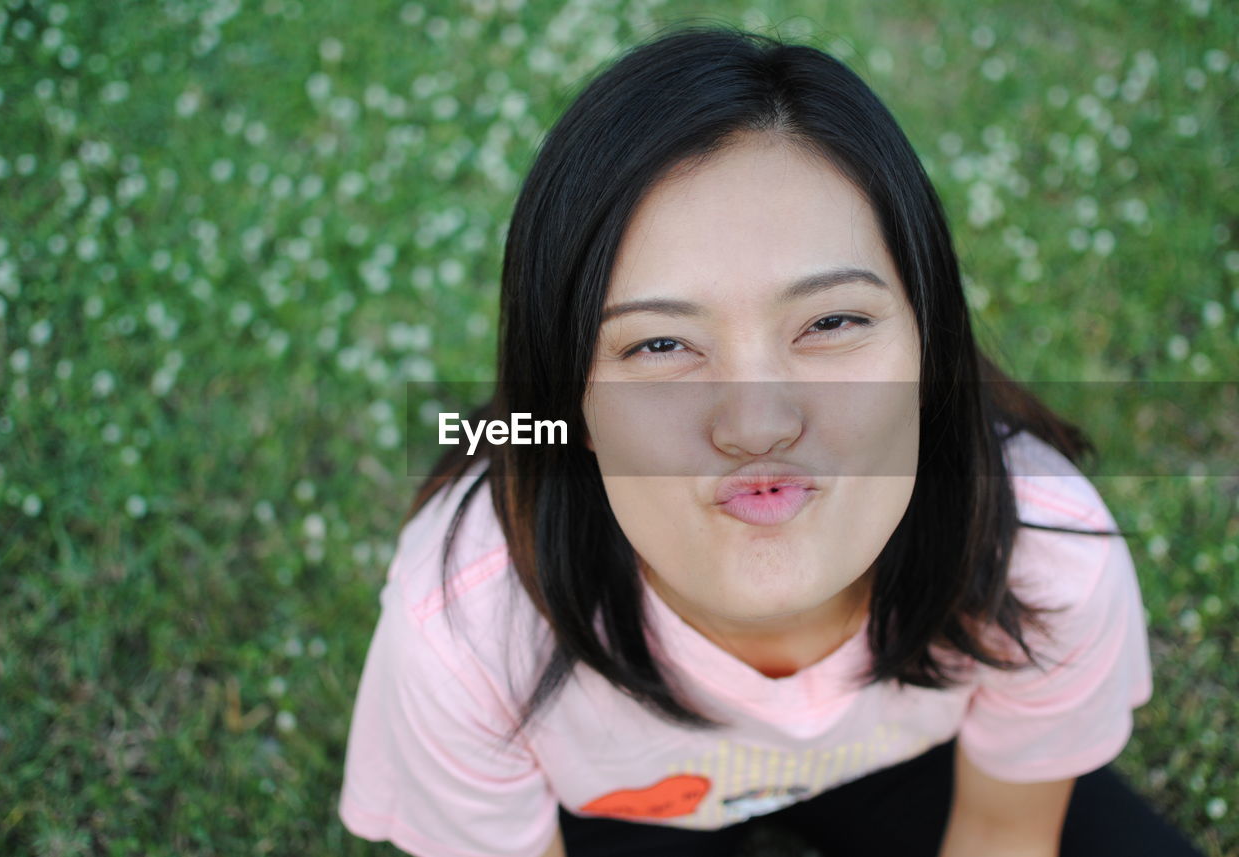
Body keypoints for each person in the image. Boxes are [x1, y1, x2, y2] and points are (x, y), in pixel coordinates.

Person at [337, 26, 1204, 857]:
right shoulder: (466, 632)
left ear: (930, 345)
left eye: (830, 321)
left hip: (917, 745)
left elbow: (1003, 836)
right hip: (617, 808)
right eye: (661, 345)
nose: (756, 425)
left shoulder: (1046, 559)